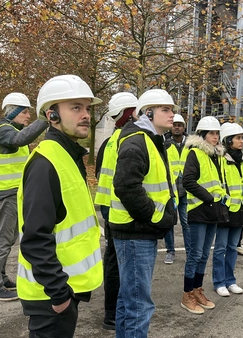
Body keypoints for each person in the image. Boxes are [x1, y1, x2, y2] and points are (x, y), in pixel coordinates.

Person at [17, 75, 104, 338]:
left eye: (87, 108)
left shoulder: (68, 155)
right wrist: (59, 294)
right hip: (51, 295)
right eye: (76, 108)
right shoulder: (46, 163)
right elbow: (35, 238)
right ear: (52, 114)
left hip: (63, 289)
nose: (86, 115)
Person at [109, 89, 178, 338]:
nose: (172, 114)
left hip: (135, 231)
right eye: (165, 109)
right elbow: (126, 186)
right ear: (148, 112)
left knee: (130, 300)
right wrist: (154, 216)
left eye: (172, 109)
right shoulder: (138, 141)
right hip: (135, 232)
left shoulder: (149, 139)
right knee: (139, 304)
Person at [0, 92, 49, 302]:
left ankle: (1, 278)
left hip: (15, 192)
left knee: (9, 238)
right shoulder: (4, 131)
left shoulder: (8, 129)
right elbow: (19, 140)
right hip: (8, 193)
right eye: (24, 111)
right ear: (12, 111)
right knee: (2, 239)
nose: (28, 115)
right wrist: (44, 120)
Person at [94, 92, 138, 331]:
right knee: (117, 262)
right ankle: (112, 313)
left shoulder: (110, 141)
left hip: (109, 208)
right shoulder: (127, 141)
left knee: (112, 260)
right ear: (129, 113)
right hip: (119, 210)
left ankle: (112, 312)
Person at [180, 116, 228, 314]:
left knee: (204, 255)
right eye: (211, 133)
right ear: (202, 135)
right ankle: (187, 295)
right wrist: (208, 198)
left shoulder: (214, 156)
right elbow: (188, 181)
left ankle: (197, 290)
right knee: (195, 255)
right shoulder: (195, 153)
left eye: (217, 133)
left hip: (212, 211)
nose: (215, 137)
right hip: (199, 210)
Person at [212, 123, 243, 297]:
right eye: (238, 138)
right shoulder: (219, 159)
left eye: (241, 137)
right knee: (220, 248)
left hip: (241, 209)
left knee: (232, 247)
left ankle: (230, 280)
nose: (241, 141)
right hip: (225, 209)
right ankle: (219, 282)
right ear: (228, 141)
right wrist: (222, 203)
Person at [163, 113, 191, 264]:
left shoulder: (191, 145)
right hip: (171, 190)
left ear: (184, 127)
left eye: (179, 125)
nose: (176, 127)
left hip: (186, 190)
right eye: (174, 125)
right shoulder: (165, 144)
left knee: (187, 223)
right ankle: (170, 251)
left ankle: (189, 251)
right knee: (170, 223)